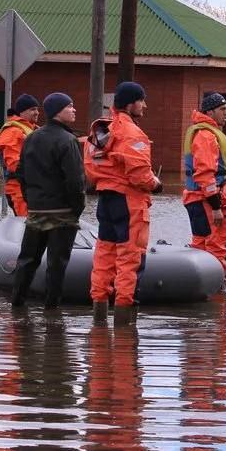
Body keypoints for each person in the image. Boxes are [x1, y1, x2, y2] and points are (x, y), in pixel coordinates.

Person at [84, 81, 162, 321]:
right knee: (130, 259)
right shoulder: (131, 133)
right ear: (131, 103)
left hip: (106, 200)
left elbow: (90, 168)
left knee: (104, 255)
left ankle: (99, 316)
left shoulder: (100, 132)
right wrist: (156, 185)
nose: (145, 106)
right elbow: (139, 174)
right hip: (129, 201)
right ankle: (124, 325)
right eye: (142, 100)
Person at [11, 93, 86, 308]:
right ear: (57, 111)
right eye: (69, 106)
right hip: (62, 213)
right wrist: (76, 209)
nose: (74, 110)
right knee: (57, 264)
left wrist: (31, 201)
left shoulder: (32, 137)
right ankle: (51, 312)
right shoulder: (67, 140)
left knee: (27, 259)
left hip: (36, 210)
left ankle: (17, 305)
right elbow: (75, 180)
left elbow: (20, 173)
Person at [182, 92, 226, 278]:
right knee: (217, 250)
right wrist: (215, 206)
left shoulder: (203, 133)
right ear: (210, 111)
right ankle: (218, 298)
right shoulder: (206, 136)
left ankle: (204, 299)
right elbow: (205, 174)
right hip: (209, 202)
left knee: (201, 246)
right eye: (223, 109)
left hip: (198, 200)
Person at [0, 94, 40, 217]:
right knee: (25, 225)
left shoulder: (31, 129)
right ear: (22, 112)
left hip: (29, 187)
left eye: (37, 109)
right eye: (32, 109)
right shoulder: (13, 131)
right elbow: (13, 164)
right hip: (18, 189)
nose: (37, 112)